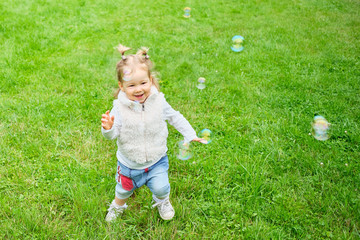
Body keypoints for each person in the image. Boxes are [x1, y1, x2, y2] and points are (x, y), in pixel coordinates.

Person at [101, 44, 203, 222]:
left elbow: (174, 117)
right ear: (122, 86)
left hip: (157, 160)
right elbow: (112, 135)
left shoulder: (159, 101)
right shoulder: (119, 108)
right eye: (131, 85)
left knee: (162, 187)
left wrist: (190, 133)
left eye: (143, 83)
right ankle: (118, 206)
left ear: (150, 80)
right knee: (123, 190)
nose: (139, 89)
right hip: (129, 164)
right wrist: (108, 129)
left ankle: (162, 201)